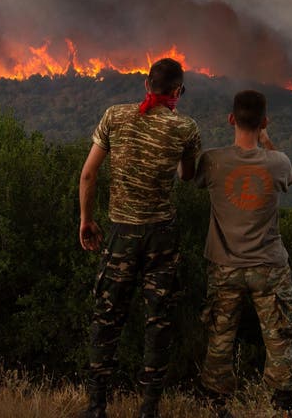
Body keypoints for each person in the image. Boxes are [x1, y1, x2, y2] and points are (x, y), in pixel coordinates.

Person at [78, 57, 202, 418]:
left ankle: (96, 406)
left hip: (121, 234)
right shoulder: (186, 128)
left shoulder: (114, 116)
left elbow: (88, 175)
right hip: (161, 238)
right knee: (157, 322)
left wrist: (87, 220)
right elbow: (186, 177)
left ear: (147, 85)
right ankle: (149, 409)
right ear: (177, 91)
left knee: (106, 318)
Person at [195, 90, 292, 418]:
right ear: (264, 122)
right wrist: (267, 142)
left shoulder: (212, 161)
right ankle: (283, 408)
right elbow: (290, 180)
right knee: (279, 337)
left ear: (230, 119)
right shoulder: (278, 162)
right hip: (268, 267)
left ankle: (217, 406)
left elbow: (189, 177)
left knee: (220, 336)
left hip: (225, 266)